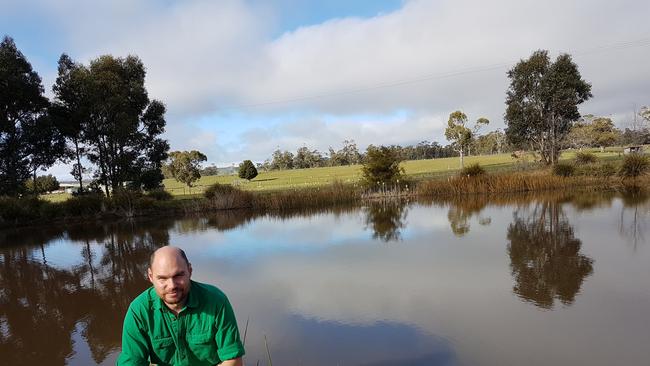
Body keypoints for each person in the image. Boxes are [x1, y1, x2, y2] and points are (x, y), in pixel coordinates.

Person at [117, 246, 245, 366]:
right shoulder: (139, 310)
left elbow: (232, 360)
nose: (172, 285)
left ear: (189, 271)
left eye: (178, 275)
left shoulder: (216, 301)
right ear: (151, 277)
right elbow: (131, 362)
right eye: (162, 278)